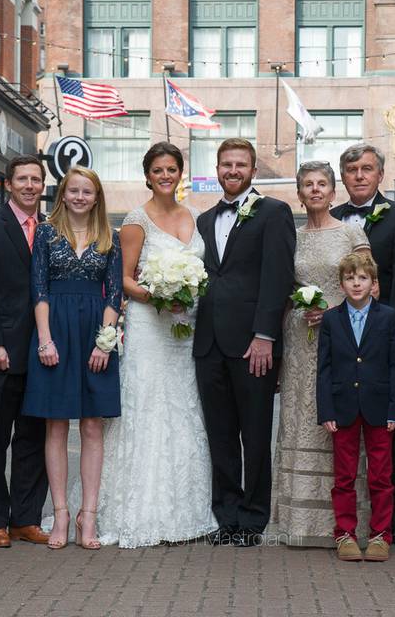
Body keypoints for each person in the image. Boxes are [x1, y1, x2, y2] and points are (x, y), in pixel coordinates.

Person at [95, 143, 218, 547]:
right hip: (152, 325)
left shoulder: (195, 216)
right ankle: (138, 510)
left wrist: (187, 292)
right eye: (158, 170)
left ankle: (186, 508)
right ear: (147, 175)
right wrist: (160, 297)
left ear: (180, 173)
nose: (166, 175)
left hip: (188, 329)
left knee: (185, 408)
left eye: (172, 169)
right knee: (147, 408)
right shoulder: (135, 221)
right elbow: (125, 279)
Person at [194, 138, 296, 547]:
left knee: (254, 433)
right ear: (217, 169)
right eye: (226, 164)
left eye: (240, 164)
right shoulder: (202, 221)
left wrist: (265, 336)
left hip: (254, 343)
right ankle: (227, 516)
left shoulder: (274, 212)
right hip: (208, 344)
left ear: (253, 170)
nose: (232, 171)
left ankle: (253, 520)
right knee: (219, 434)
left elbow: (278, 279)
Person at [21, 166, 122, 550]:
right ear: (63, 194)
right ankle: (61, 512)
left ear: (96, 198)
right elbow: (39, 290)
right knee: (56, 427)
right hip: (56, 332)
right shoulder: (46, 233)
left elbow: (114, 295)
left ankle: (88, 516)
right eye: (73, 190)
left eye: (87, 191)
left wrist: (104, 343)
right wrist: (45, 341)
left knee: (93, 427)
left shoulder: (109, 237)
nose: (80, 197)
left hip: (95, 334)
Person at [271, 161, 370, 547]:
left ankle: (342, 521)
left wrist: (332, 310)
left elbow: (370, 287)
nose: (315, 190)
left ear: (333, 192)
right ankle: (298, 520)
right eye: (307, 184)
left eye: (322, 184)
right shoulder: (292, 237)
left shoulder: (351, 232)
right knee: (300, 415)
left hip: (342, 336)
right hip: (298, 337)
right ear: (299, 193)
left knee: (338, 416)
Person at [331, 144, 395, 542]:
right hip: (341, 339)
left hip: (384, 341)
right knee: (346, 436)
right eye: (352, 169)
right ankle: (345, 522)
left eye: (367, 168)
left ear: (380, 174)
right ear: (343, 176)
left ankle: (390, 522)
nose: (360, 175)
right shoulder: (331, 219)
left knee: (387, 435)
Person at [0, 156, 50, 548]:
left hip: (42, 353)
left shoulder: (52, 230)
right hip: (0, 353)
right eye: (23, 179)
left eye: (36, 179)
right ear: (8, 185)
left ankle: (26, 518)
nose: (30, 185)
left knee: (33, 439)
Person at [317, 252, 395, 562]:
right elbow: (324, 368)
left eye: (363, 278)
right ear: (341, 284)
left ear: (374, 283)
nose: (356, 283)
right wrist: (326, 410)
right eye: (350, 278)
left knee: (380, 475)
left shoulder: (389, 317)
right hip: (342, 409)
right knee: (344, 477)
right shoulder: (331, 319)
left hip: (380, 408)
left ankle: (381, 534)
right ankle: (345, 533)